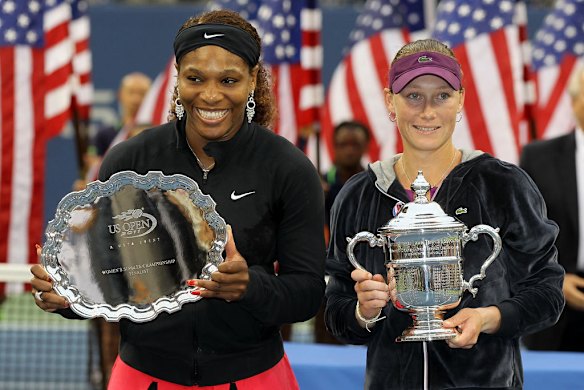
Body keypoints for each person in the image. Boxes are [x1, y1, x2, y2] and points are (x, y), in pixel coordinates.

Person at [31, 9, 325, 389]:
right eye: (195, 78)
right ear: (178, 79)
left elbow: (307, 293)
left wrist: (250, 287)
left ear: (253, 80)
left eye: (229, 79)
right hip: (143, 377)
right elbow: (107, 279)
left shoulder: (289, 168)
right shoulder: (129, 162)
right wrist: (67, 295)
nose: (210, 94)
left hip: (253, 376)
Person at [324, 38, 565, 389]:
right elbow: (336, 308)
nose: (427, 111)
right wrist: (364, 312)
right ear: (390, 101)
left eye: (442, 95)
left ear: (461, 100)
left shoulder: (503, 184)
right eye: (413, 96)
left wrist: (488, 318)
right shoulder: (358, 195)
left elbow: (548, 292)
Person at [520, 66, 584, 351]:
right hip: (554, 304)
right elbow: (521, 231)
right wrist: (554, 277)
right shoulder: (538, 157)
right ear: (574, 101)